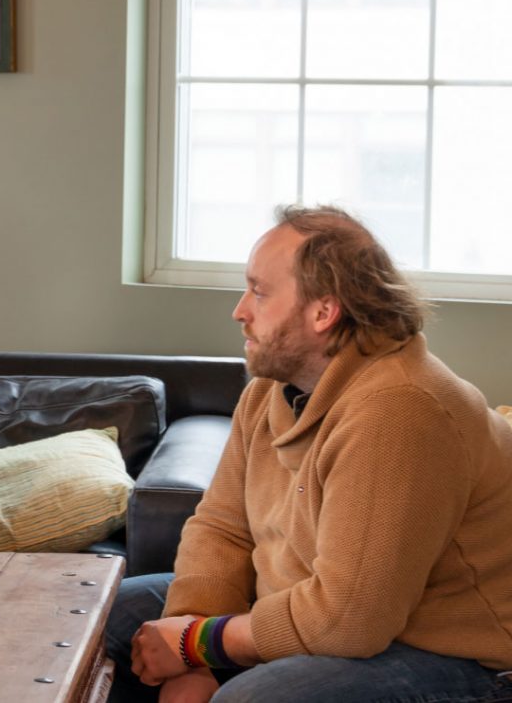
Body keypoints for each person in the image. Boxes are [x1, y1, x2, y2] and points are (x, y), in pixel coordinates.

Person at [101, 206, 512, 703]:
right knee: (99, 615)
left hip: (457, 653)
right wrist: (190, 660)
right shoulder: (274, 390)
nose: (240, 310)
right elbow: (223, 527)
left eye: (259, 291)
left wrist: (194, 645)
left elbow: (351, 619)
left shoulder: (401, 411)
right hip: (313, 611)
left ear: (323, 310)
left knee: (253, 699)